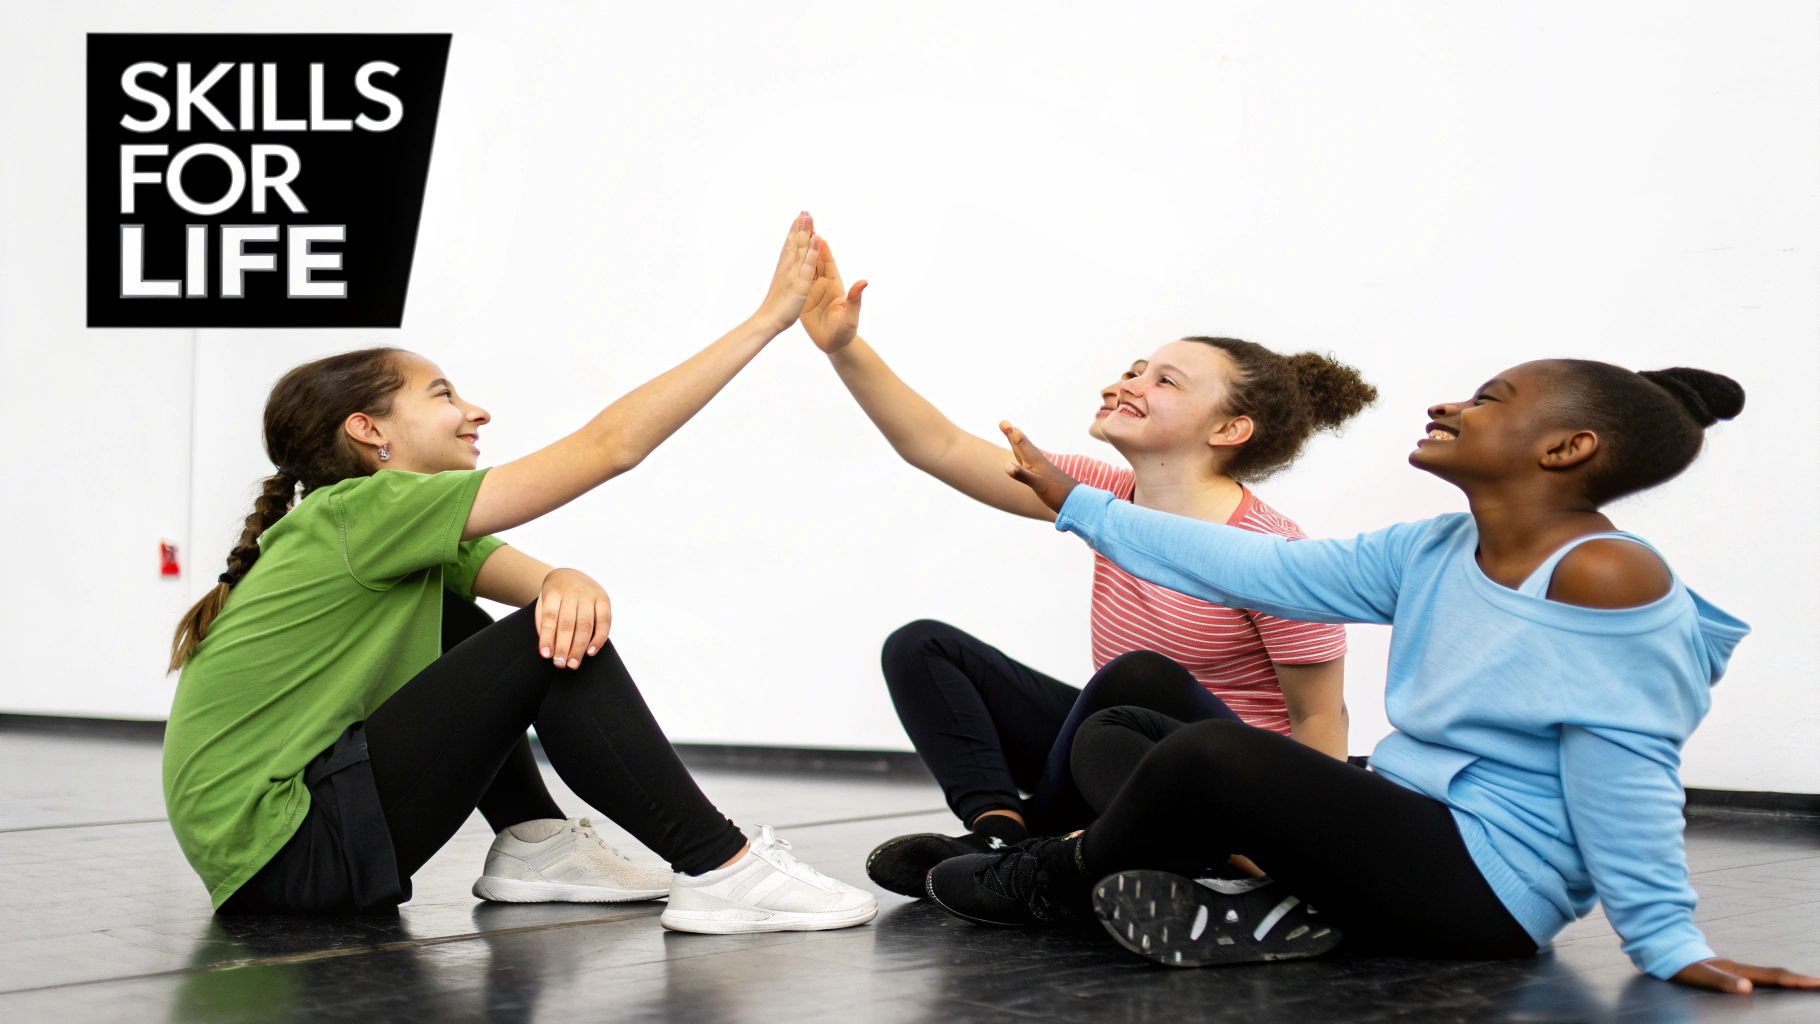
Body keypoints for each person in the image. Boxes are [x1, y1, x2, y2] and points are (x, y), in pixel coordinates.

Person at [926, 359, 1820, 996]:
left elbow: (1626, 775)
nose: (1448, 403)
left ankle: (1057, 881)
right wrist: (1082, 506)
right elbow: (1257, 570)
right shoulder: (1434, 547)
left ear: (1565, 449)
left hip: (1490, 889)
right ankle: (1261, 902)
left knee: (1208, 758)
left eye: (1489, 398)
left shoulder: (1604, 578)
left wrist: (1667, 941)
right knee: (1130, 716)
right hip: (1416, 824)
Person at [162, 214, 876, 935]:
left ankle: (536, 842)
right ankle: (724, 868)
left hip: (280, 860)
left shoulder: (392, 529)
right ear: (368, 430)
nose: (476, 410)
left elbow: (546, 588)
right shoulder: (363, 510)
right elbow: (610, 447)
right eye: (442, 395)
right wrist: (765, 322)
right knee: (544, 641)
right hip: (294, 850)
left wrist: (564, 576)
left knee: (467, 621)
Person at [796, 239, 1371, 896]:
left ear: (1229, 430)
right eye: (1133, 369)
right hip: (1113, 750)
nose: (1123, 384)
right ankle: (1003, 834)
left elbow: (1322, 720)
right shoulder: (1102, 498)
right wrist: (843, 346)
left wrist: (1309, 857)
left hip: (1225, 784)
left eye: (1163, 380)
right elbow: (941, 445)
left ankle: (1059, 843)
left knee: (1140, 679)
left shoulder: (1274, 555)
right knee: (923, 648)